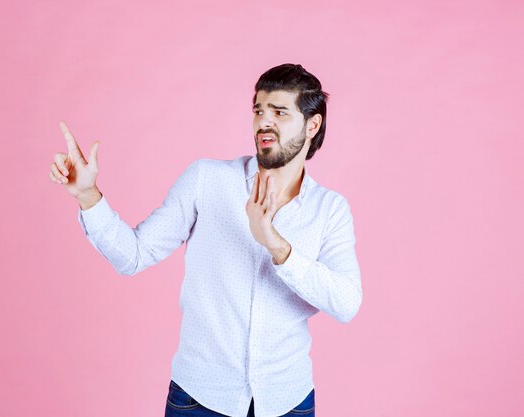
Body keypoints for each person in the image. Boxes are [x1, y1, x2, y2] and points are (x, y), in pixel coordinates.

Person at [49, 63, 362, 417]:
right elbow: (133, 256)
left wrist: (276, 245)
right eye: (259, 110)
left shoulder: (330, 209)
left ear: (312, 124)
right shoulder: (205, 180)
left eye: (279, 112)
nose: (264, 122)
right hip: (199, 399)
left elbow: (346, 303)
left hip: (288, 402)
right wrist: (88, 196)